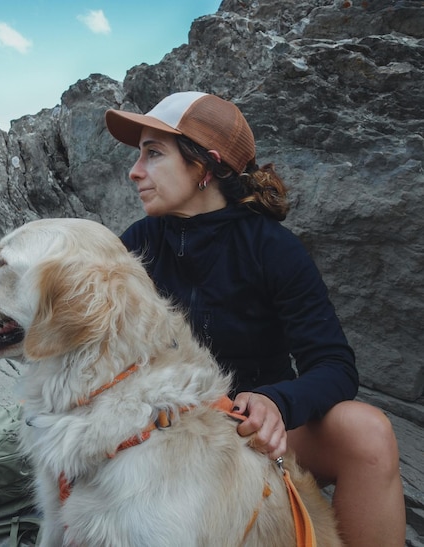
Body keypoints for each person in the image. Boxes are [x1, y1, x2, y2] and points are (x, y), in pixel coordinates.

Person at [104, 91, 405, 546]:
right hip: (168, 432)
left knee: (367, 431)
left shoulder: (273, 248)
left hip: (255, 433)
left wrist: (275, 403)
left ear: (205, 166)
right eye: (139, 155)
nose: (135, 171)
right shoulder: (137, 244)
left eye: (154, 153)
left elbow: (335, 366)